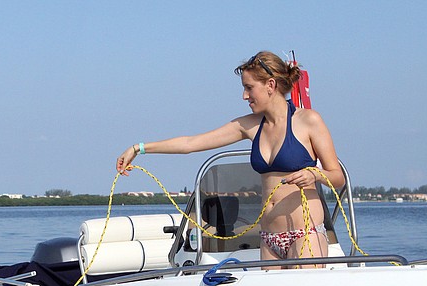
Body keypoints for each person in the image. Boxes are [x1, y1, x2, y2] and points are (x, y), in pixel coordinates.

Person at [116, 51, 346, 264]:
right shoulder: (249, 125)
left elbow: (337, 177)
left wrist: (314, 174)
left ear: (270, 85)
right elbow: (191, 143)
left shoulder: (309, 120)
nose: (244, 95)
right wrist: (139, 148)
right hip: (269, 237)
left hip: (303, 234)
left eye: (249, 87)